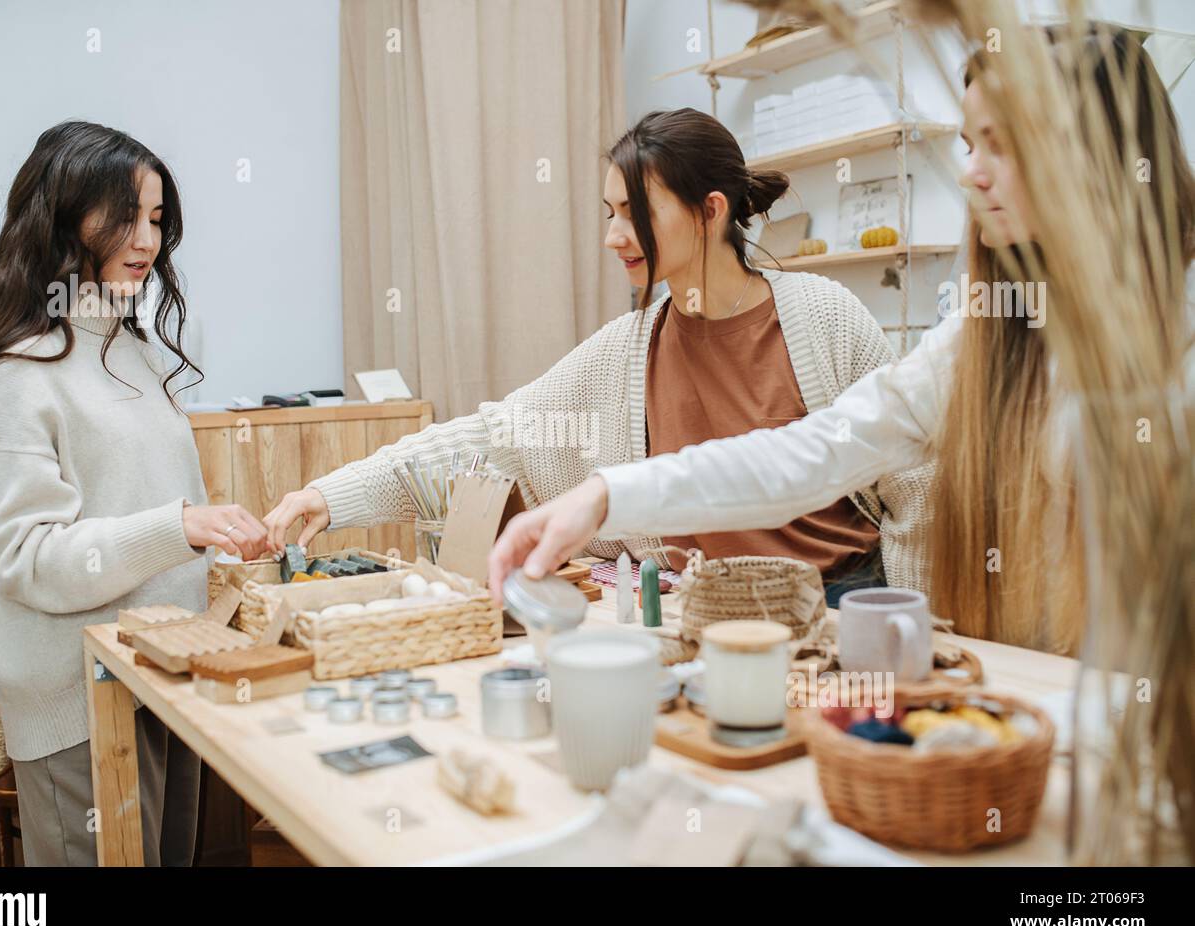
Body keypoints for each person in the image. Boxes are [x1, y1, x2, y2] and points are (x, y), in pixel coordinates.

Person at [488, 26, 1195, 656]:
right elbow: (812, 455)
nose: (972, 174)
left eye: (1007, 147)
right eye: (972, 144)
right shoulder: (989, 331)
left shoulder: (1169, 339)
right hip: (1053, 703)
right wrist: (605, 497)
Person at [264, 108, 933, 602]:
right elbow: (492, 439)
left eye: (633, 211)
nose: (614, 236)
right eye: (608, 212)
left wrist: (928, 628)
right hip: (699, 618)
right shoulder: (626, 349)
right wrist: (332, 494)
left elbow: (918, 490)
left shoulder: (825, 319)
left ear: (710, 211)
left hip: (844, 605)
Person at [0, 121, 269, 865]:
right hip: (81, 702)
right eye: (124, 217)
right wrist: (181, 528)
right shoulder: (17, 373)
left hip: (164, 674)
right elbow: (30, 560)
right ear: (64, 215)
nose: (145, 240)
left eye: (156, 219)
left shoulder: (130, 350)